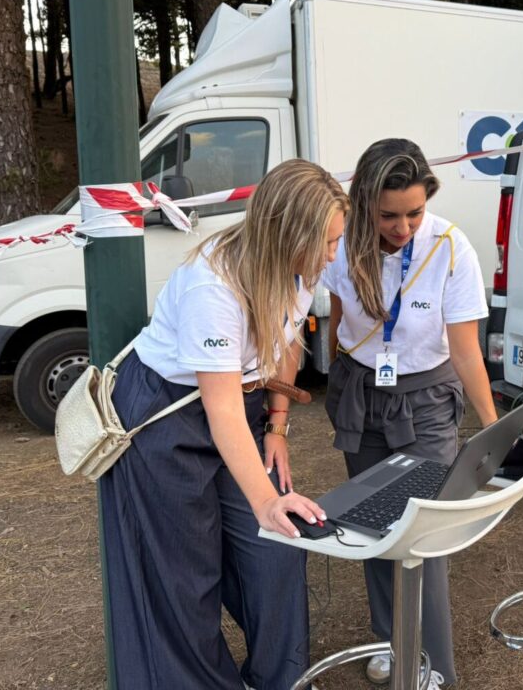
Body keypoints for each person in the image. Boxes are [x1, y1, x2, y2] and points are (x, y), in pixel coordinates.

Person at [98, 159, 349, 690]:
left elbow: (286, 340)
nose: (333, 254)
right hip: (167, 415)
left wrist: (277, 427)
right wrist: (266, 500)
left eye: (336, 240)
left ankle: (280, 680)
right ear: (286, 234)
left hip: (241, 408)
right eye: (326, 242)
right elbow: (222, 410)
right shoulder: (213, 286)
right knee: (184, 575)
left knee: (279, 549)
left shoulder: (300, 267)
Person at [322, 138, 498, 688]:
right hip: (362, 394)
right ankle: (390, 639)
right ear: (364, 205)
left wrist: (493, 427)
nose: (403, 228)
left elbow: (465, 351)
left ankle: (433, 664)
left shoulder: (450, 247)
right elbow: (336, 323)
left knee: (423, 530)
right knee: (372, 523)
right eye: (388, 216)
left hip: (426, 401)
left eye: (414, 213)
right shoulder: (341, 245)